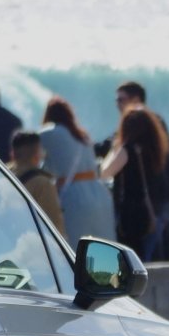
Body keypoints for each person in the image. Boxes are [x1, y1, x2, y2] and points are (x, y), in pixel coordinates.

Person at [111, 81, 169, 260]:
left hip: (150, 201)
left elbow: (118, 153)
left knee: (148, 256)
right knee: (165, 254)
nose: (117, 104)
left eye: (120, 99)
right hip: (163, 197)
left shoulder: (139, 122)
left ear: (136, 99)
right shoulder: (154, 122)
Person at [38, 96, 115, 246]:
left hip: (74, 195)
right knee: (105, 248)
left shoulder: (48, 133)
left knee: (76, 248)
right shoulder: (82, 135)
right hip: (99, 193)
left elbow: (40, 162)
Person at [100, 106, 169, 261]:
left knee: (128, 259)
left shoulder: (127, 150)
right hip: (150, 211)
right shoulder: (153, 150)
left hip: (130, 214)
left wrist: (114, 149)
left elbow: (105, 172)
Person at [8, 131, 66, 238]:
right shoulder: (43, 184)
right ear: (36, 156)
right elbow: (55, 229)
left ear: (13, 154)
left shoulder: (0, 176)